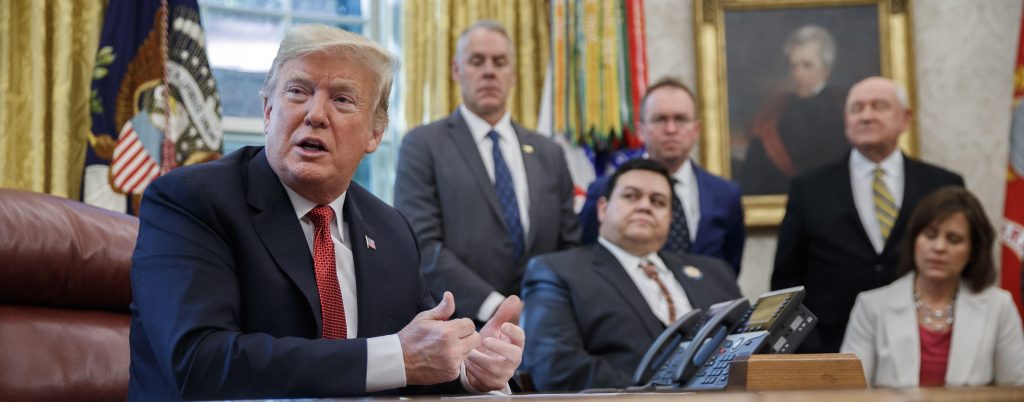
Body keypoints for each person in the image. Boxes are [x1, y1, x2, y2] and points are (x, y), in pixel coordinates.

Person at [127, 25, 524, 400]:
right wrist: (398, 357)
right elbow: (199, 362)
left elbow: (416, 360)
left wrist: (468, 371)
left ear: (375, 133)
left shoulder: (391, 230)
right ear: (268, 112)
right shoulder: (192, 201)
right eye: (298, 92)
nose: (315, 114)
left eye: (342, 99)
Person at [394, 20, 580, 323]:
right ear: (457, 70)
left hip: (543, 326)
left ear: (513, 74)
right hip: (459, 326)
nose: (489, 71)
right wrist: (497, 307)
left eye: (500, 62)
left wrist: (542, 307)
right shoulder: (423, 145)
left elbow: (569, 245)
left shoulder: (549, 153)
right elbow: (421, 245)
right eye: (477, 61)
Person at [771, 76, 963, 354]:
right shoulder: (809, 188)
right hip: (831, 349)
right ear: (846, 121)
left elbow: (963, 266)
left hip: (923, 343)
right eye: (857, 108)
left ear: (905, 119)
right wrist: (809, 348)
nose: (866, 116)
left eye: (879, 106)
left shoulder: (942, 185)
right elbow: (786, 280)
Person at [521, 159, 742, 391]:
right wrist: (659, 397)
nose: (645, 206)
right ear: (602, 209)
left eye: (658, 201)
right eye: (631, 196)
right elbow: (557, 368)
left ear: (670, 218)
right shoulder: (557, 272)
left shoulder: (717, 273)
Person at [841, 187, 1024, 387]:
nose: (939, 247)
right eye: (930, 235)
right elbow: (849, 392)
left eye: (954, 239)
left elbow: (1015, 390)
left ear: (973, 251)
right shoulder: (871, 306)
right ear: (914, 240)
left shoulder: (999, 306)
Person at [578, 77, 745, 274]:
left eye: (681, 119)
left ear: (696, 130)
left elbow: (729, 269)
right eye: (659, 119)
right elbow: (587, 258)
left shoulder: (726, 194)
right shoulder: (605, 189)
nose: (671, 129)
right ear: (640, 130)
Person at [740, 25, 850, 195]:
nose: (798, 74)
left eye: (807, 65)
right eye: (794, 66)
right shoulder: (776, 108)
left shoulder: (843, 106)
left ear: (826, 69)